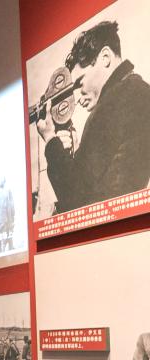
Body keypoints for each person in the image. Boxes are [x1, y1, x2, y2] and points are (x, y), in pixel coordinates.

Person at [36, 21, 150, 215]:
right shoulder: (139, 91)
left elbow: (74, 195)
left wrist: (50, 140)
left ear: (105, 57)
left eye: (80, 82)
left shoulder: (113, 102)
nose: (78, 95)